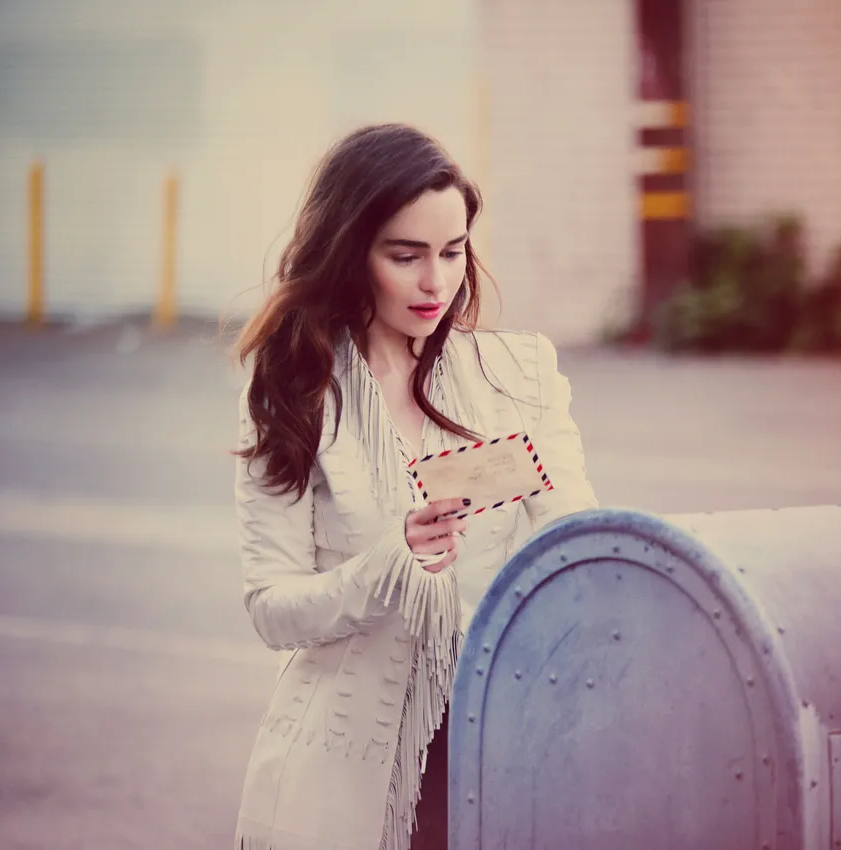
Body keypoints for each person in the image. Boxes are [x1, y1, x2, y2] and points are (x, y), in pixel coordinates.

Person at [228, 124, 599, 850]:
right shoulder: (296, 393)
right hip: (344, 774)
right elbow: (272, 609)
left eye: (453, 252)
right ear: (350, 252)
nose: (436, 282)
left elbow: (575, 542)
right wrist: (388, 564)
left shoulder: (517, 375)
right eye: (406, 256)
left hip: (498, 750)